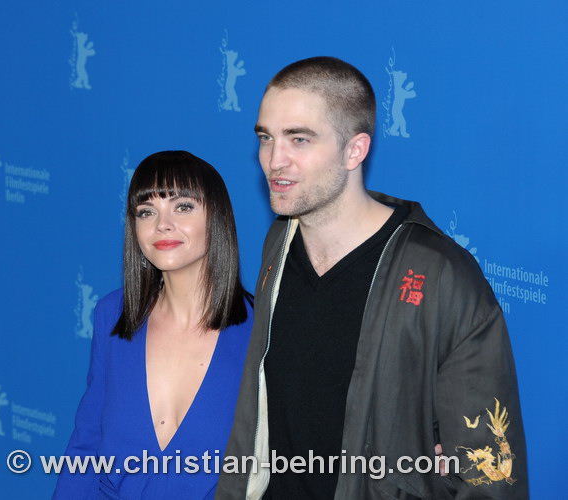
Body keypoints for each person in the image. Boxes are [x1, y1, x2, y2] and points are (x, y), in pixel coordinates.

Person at [216, 57, 528, 499]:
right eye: (266, 138)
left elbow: (489, 473)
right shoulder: (279, 242)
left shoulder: (442, 274)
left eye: (299, 139)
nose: (273, 160)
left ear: (355, 150)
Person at [54, 150, 253, 499]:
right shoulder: (113, 315)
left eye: (183, 207)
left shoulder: (263, 330)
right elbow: (86, 447)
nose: (162, 224)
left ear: (217, 218)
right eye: (146, 211)